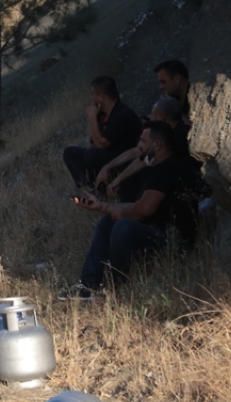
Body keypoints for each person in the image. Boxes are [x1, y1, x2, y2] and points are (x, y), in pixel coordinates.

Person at [59, 121, 199, 301]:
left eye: (143, 141)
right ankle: (88, 286)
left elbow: (144, 210)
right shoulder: (159, 168)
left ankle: (117, 289)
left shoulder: (168, 168)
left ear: (156, 145)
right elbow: (139, 205)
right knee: (108, 222)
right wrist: (102, 207)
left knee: (123, 227)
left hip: (175, 241)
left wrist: (121, 213)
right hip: (161, 231)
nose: (139, 146)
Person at [95, 97, 196, 203]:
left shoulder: (176, 136)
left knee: (135, 177)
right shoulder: (174, 132)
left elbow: (147, 159)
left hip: (180, 183)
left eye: (153, 114)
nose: (150, 117)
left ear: (161, 117)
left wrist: (118, 179)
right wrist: (108, 168)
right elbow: (138, 151)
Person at [62, 76, 142, 189]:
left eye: (93, 93)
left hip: (124, 159)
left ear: (101, 96)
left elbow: (101, 144)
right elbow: (93, 143)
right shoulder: (103, 115)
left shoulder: (122, 114)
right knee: (70, 153)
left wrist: (92, 118)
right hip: (106, 155)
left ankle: (103, 188)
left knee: (92, 155)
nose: (91, 97)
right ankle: (87, 188)